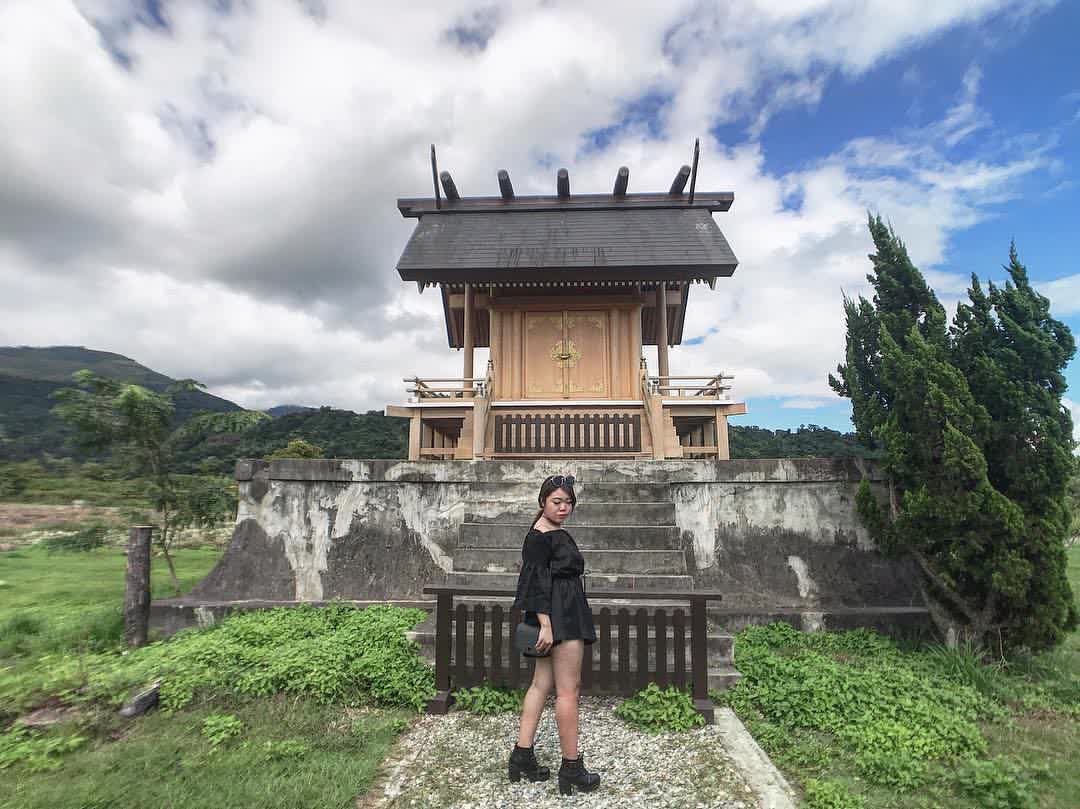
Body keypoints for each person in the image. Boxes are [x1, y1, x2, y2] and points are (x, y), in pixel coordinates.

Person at [508, 474, 601, 796]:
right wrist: (546, 625)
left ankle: (522, 755)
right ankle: (572, 767)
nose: (563, 508)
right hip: (560, 617)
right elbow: (533, 584)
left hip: (561, 611)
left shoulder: (552, 532)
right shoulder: (539, 536)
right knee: (568, 691)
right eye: (556, 501)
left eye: (568, 502)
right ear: (542, 502)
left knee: (541, 684)